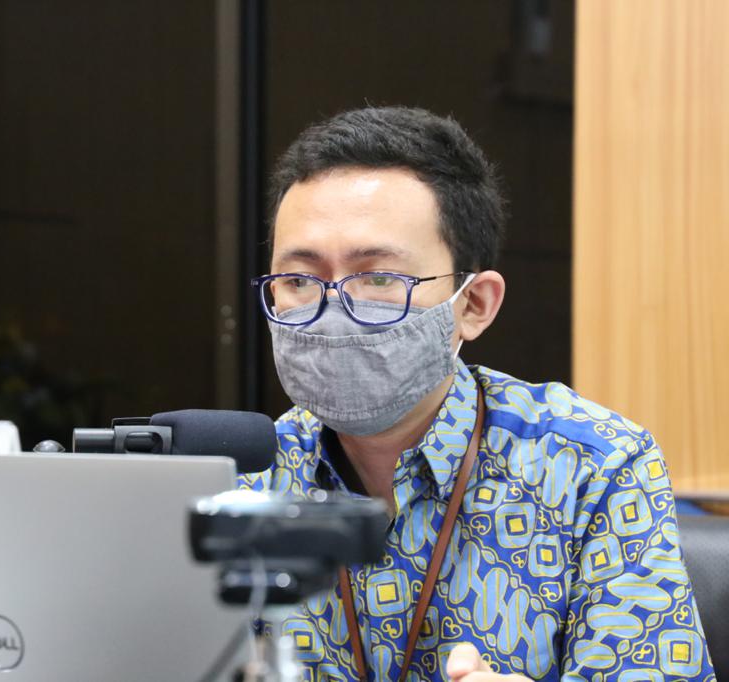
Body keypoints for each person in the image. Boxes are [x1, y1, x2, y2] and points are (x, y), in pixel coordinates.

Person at [239, 106, 715, 681]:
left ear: (473, 304)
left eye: (379, 278)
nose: (333, 307)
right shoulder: (244, 481)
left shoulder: (592, 466)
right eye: (298, 280)